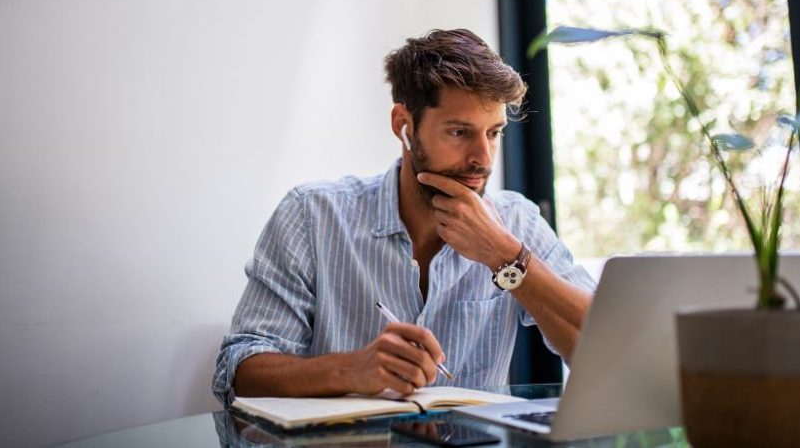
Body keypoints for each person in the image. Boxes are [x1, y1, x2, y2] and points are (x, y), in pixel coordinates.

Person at [212, 29, 595, 405]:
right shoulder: (312, 216)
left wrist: (506, 255)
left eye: (493, 133)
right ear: (404, 125)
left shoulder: (516, 222)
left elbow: (606, 347)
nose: (483, 157)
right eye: (460, 132)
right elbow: (239, 371)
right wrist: (351, 370)